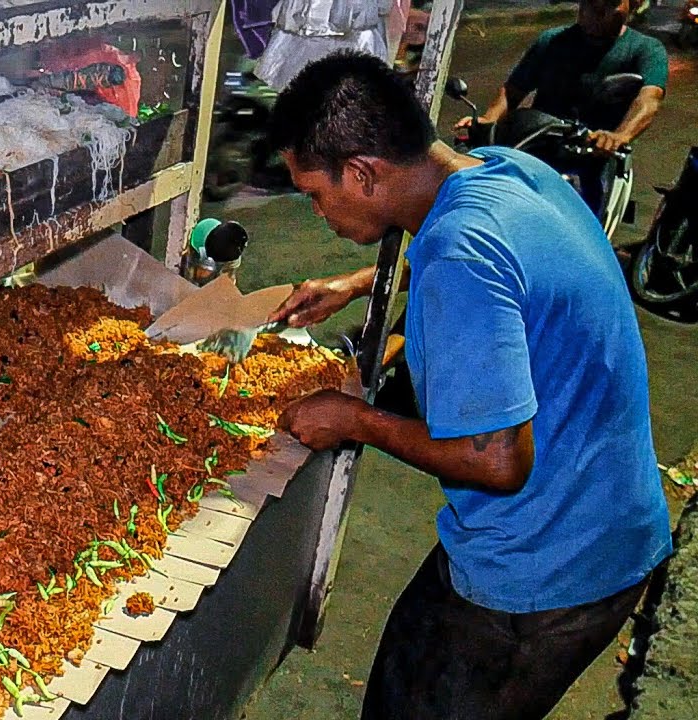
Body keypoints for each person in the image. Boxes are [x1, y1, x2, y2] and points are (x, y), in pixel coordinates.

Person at [266, 52, 672, 719]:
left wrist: (353, 418)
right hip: (605, 515)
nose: (316, 212)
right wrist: (360, 283)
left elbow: (497, 460)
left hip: (551, 568)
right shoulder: (510, 169)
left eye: (315, 193)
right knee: (407, 662)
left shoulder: (460, 258)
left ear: (365, 172)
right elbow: (513, 271)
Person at [455, 0, 666, 155]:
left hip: (595, 154)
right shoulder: (552, 40)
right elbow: (513, 91)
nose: (598, 9)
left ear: (633, 4)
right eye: (591, 2)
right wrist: (488, 121)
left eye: (611, 3)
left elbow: (649, 99)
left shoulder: (646, 49)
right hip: (536, 144)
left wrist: (620, 136)